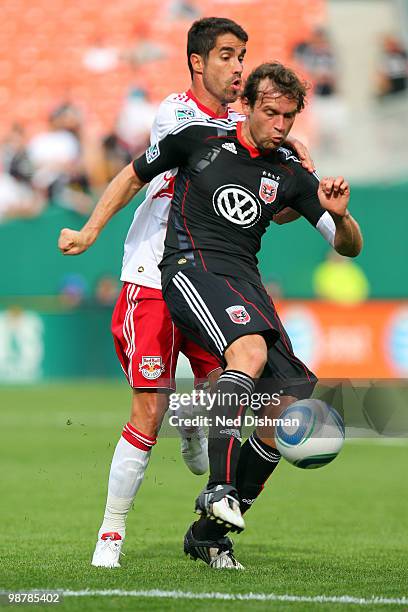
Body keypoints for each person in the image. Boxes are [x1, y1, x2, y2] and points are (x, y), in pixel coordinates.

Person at [58, 19, 314, 570]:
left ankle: (201, 449)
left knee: (237, 392)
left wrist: (293, 172)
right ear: (198, 63)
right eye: (226, 56)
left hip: (211, 276)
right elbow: (171, 160)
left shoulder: (256, 136)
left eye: (242, 56)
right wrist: (88, 232)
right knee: (150, 409)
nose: (238, 66)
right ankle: (111, 533)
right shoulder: (179, 114)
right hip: (155, 272)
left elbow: (276, 204)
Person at [127, 61, 363, 562]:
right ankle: (218, 488)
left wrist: (341, 218)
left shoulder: (291, 173)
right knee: (250, 351)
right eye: (272, 113)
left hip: (244, 281)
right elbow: (134, 173)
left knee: (290, 399)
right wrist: (88, 234)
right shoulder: (199, 141)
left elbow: (349, 248)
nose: (280, 125)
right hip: (191, 267)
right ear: (250, 105)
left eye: (290, 117)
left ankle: (209, 535)